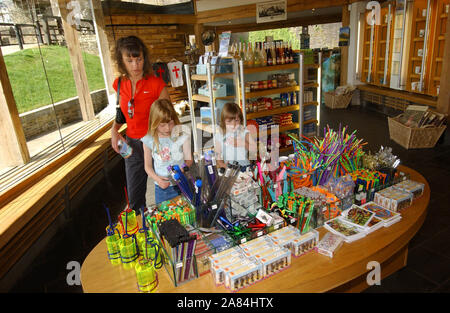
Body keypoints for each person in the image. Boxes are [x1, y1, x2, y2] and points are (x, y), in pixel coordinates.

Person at [110, 36, 171, 210]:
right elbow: (121, 112)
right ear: (122, 62)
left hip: (156, 142)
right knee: (134, 196)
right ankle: (141, 227)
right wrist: (114, 131)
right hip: (130, 145)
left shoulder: (156, 84)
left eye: (139, 59)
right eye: (129, 61)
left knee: (167, 188)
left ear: (145, 59)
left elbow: (169, 118)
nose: (135, 65)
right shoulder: (119, 84)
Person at [141, 99, 192, 204]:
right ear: (154, 123)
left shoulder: (182, 135)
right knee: (165, 219)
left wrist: (181, 171)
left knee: (186, 217)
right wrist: (157, 179)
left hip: (182, 184)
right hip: (162, 189)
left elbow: (189, 160)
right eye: (162, 125)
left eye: (170, 123)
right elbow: (148, 166)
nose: (168, 128)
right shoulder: (149, 139)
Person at [215, 102, 257, 169]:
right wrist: (222, 165)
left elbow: (254, 148)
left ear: (241, 120)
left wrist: (243, 143)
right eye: (229, 121)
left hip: (245, 167)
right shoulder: (219, 135)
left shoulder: (244, 132)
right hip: (229, 168)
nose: (233, 125)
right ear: (223, 121)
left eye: (236, 120)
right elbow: (217, 154)